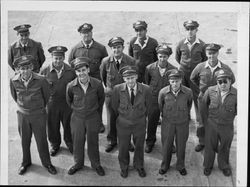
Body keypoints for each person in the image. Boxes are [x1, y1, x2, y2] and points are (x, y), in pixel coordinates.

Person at [9, 55, 57, 175]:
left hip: (38, 115)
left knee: (41, 140)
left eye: (27, 68)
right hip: (22, 115)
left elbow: (46, 97)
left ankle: (47, 163)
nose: (25, 71)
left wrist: (37, 109)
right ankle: (25, 162)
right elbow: (15, 96)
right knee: (24, 140)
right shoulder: (13, 81)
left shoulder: (41, 80)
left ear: (31, 67)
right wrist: (24, 108)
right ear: (18, 69)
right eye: (22, 69)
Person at [190, 43, 235, 152]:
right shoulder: (200, 67)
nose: (211, 56)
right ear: (206, 54)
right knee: (201, 121)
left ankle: (216, 143)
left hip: (218, 99)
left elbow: (232, 80)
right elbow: (192, 78)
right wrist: (201, 91)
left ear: (218, 53)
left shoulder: (225, 68)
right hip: (203, 99)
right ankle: (202, 142)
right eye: (209, 54)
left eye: (214, 53)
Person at [66, 57, 105, 176]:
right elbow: (69, 101)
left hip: (92, 116)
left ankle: (96, 164)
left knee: (93, 141)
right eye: (78, 71)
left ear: (88, 70)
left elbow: (101, 99)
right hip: (77, 117)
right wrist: (78, 111)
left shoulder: (97, 84)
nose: (81, 73)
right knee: (77, 142)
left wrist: (95, 114)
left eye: (83, 70)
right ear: (75, 72)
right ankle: (78, 163)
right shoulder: (71, 86)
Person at [111, 65, 152, 178]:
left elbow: (149, 107)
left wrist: (141, 117)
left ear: (137, 77)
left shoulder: (146, 89)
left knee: (139, 146)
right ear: (124, 79)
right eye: (127, 78)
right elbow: (114, 107)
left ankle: (139, 165)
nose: (130, 81)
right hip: (123, 123)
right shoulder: (117, 89)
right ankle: (124, 167)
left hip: (139, 123)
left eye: (132, 77)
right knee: (123, 147)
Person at [68, 23, 108, 133]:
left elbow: (105, 66)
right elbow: (72, 66)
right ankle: (84, 123)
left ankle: (98, 123)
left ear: (92, 33)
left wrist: (103, 82)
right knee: (83, 103)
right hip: (81, 82)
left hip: (95, 82)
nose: (86, 35)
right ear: (80, 35)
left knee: (98, 103)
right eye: (84, 33)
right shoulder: (75, 49)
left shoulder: (100, 48)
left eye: (88, 32)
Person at [100, 37, 136, 153]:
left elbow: (134, 77)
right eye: (114, 48)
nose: (116, 50)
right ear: (111, 49)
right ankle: (112, 140)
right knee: (111, 119)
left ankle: (126, 140)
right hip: (111, 95)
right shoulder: (106, 61)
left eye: (119, 47)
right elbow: (103, 77)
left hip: (126, 95)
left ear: (123, 48)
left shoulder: (130, 61)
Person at [40, 46, 76, 156]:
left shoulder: (70, 70)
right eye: (55, 58)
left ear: (64, 58)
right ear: (51, 58)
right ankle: (55, 144)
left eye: (60, 58)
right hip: (51, 104)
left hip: (67, 104)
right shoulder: (45, 71)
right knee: (52, 125)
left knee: (68, 125)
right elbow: (40, 88)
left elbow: (75, 87)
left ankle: (70, 143)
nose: (58, 61)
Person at [201, 69, 237, 177]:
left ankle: (224, 165)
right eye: (220, 82)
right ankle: (208, 166)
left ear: (230, 81)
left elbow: (239, 110)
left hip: (227, 126)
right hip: (212, 124)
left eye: (225, 81)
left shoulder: (236, 94)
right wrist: (206, 123)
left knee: (225, 146)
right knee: (209, 146)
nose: (223, 84)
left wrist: (229, 117)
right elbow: (203, 106)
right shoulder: (210, 91)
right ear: (217, 82)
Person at [175, 20, 207, 136]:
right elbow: (177, 57)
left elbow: (204, 59)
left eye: (192, 29)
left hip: (196, 76)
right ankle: (186, 116)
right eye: (188, 29)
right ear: (185, 30)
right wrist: (184, 67)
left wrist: (196, 70)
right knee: (183, 95)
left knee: (197, 96)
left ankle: (200, 121)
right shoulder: (180, 43)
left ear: (196, 30)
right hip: (183, 74)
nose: (190, 32)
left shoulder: (202, 45)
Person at [158, 69, 193, 176]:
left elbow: (189, 105)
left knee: (181, 145)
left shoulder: (188, 92)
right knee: (167, 145)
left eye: (177, 81)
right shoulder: (163, 92)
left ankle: (180, 165)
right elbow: (160, 105)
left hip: (182, 122)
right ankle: (165, 165)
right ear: (169, 81)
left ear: (181, 80)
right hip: (168, 123)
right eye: (172, 81)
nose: (174, 84)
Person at [144, 43, 177, 153]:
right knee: (152, 121)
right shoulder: (149, 68)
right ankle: (150, 142)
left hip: (168, 100)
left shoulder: (173, 70)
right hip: (153, 99)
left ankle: (169, 143)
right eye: (160, 56)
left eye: (165, 56)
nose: (162, 59)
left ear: (168, 57)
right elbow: (147, 82)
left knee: (168, 122)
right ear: (157, 56)